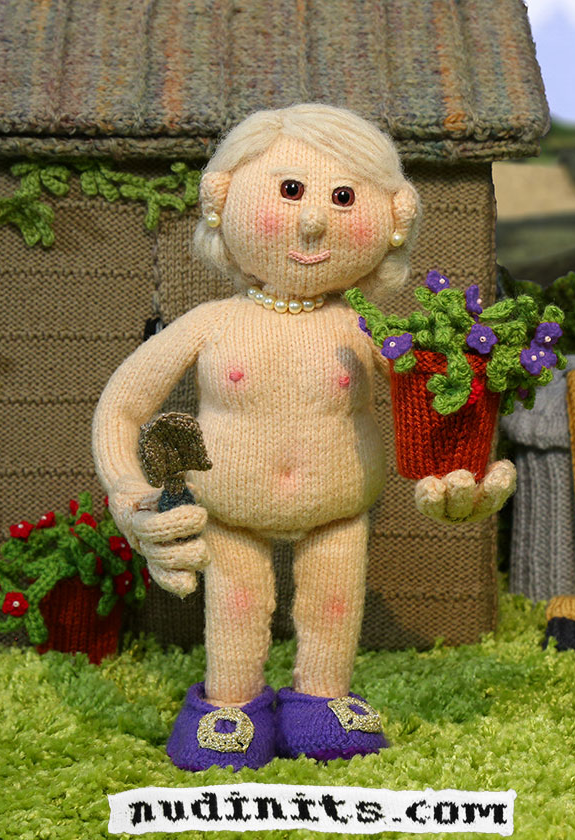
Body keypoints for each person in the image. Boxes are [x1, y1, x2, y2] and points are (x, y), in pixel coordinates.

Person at [92, 103, 516, 771]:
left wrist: (454, 472)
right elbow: (122, 406)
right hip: (229, 513)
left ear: (394, 217)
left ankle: (321, 700)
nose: (315, 219)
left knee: (334, 603)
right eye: (290, 189)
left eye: (344, 197)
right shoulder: (211, 323)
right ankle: (231, 705)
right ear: (222, 200)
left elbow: (437, 404)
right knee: (235, 607)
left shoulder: (369, 330)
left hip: (339, 512)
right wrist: (128, 489)